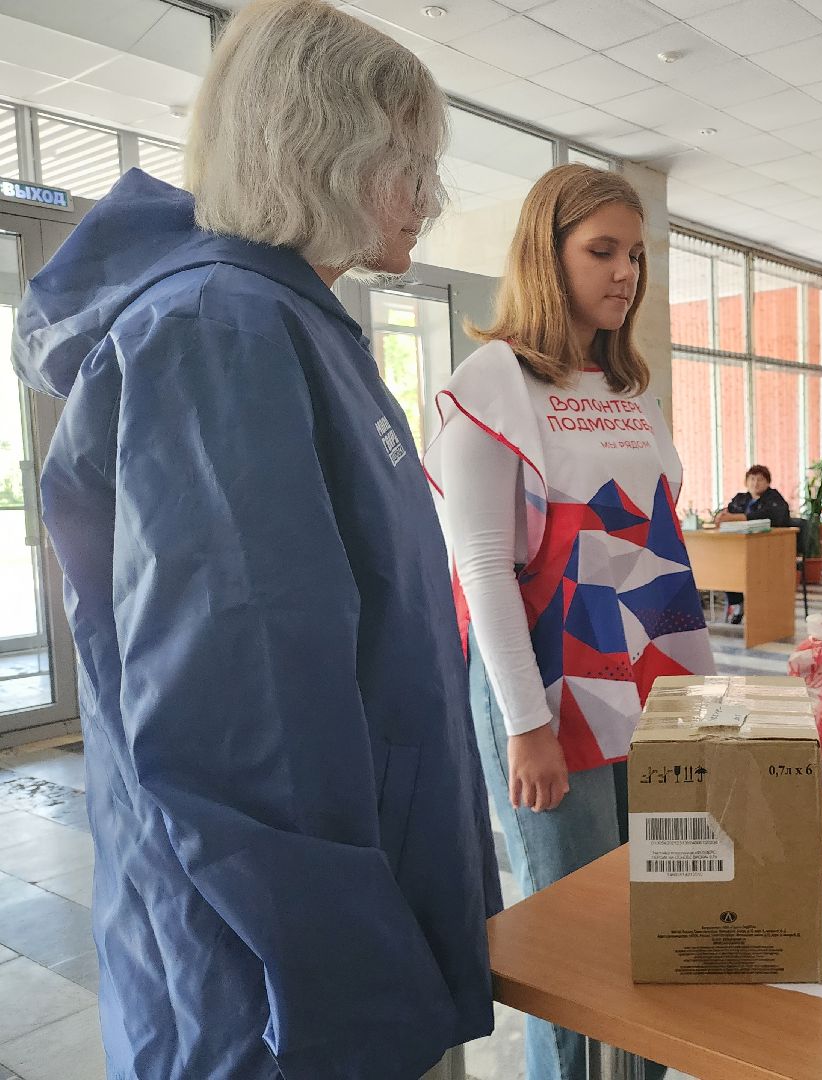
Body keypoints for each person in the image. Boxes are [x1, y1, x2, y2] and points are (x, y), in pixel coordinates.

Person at [11, 3, 501, 1078]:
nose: (428, 196)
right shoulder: (220, 330)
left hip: (340, 920)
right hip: (285, 975)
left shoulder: (287, 320)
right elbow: (240, 720)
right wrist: (352, 983)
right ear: (314, 151)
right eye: (403, 161)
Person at [424, 164, 714, 1080]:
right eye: (601, 251)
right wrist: (527, 726)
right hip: (546, 690)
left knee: (665, 911)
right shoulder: (493, 383)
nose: (625, 273)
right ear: (545, 253)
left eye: (636, 254)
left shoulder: (630, 390)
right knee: (575, 942)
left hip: (654, 687)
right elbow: (481, 567)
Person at [715, 463, 792, 622]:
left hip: (769, 550)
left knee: (750, 568)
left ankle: (760, 610)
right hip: (739, 549)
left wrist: (735, 518)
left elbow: (768, 517)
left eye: (760, 480)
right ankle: (737, 604)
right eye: (751, 479)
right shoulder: (740, 499)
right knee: (724, 566)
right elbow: (727, 514)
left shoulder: (774, 498)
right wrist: (721, 516)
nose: (755, 483)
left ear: (768, 482)